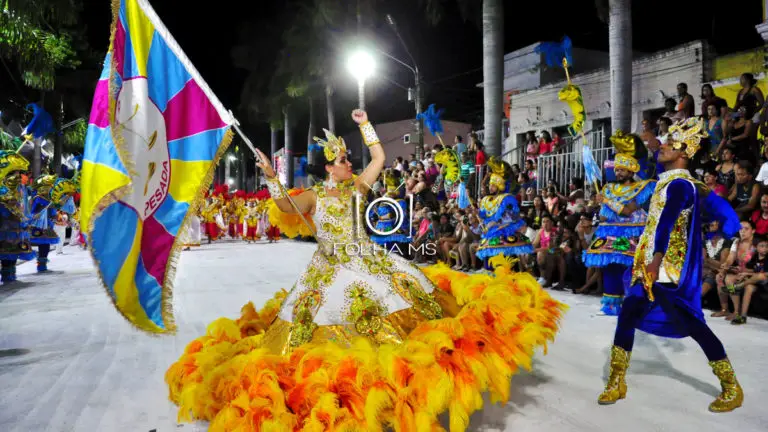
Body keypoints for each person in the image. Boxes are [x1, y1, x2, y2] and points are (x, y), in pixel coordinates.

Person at [166, 111, 565, 430]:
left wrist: (366, 126)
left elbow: (379, 158)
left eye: (346, 158)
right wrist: (272, 179)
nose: (348, 162)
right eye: (342, 159)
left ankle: (396, 387)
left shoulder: (358, 187)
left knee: (403, 309)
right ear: (329, 168)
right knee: (317, 328)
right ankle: (352, 394)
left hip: (368, 260)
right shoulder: (314, 195)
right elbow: (286, 208)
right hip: (329, 270)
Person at [597, 117, 743, 413]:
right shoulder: (671, 182)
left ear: (684, 152)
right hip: (649, 264)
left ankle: (731, 386)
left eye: (669, 143)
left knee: (692, 324)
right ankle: (616, 381)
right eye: (663, 142)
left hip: (665, 269)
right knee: (627, 315)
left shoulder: (679, 185)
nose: (661, 146)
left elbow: (665, 224)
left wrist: (656, 261)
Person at [584, 131, 656, 315]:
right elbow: (605, 216)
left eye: (622, 170)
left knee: (633, 269)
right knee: (611, 267)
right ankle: (612, 303)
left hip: (634, 231)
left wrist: (606, 201)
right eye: (616, 169)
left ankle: (635, 303)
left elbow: (627, 210)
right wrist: (597, 206)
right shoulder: (609, 188)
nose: (618, 172)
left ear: (631, 170)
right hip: (611, 231)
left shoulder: (643, 186)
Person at [476, 157, 534, 270]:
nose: (490, 187)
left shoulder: (507, 198)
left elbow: (513, 216)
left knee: (503, 262)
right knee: (489, 259)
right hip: (490, 231)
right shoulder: (487, 199)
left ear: (499, 186)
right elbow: (486, 214)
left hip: (504, 230)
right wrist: (478, 213)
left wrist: (496, 222)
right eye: (490, 185)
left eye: (493, 185)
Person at [28, 175, 78, 272]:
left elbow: (56, 207)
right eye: (48, 187)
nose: (50, 189)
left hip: (48, 225)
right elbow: (52, 205)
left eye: (50, 187)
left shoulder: (49, 199)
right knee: (41, 245)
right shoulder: (38, 198)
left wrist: (67, 195)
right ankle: (40, 264)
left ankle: (42, 264)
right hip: (39, 226)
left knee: (46, 245)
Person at [0, 148, 35, 284]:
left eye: (21, 173)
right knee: (6, 249)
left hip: (17, 224)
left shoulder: (21, 188)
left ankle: (11, 273)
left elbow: (23, 204)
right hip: (5, 224)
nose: (19, 176)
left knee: (14, 249)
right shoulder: (4, 188)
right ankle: (6, 273)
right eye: (16, 173)